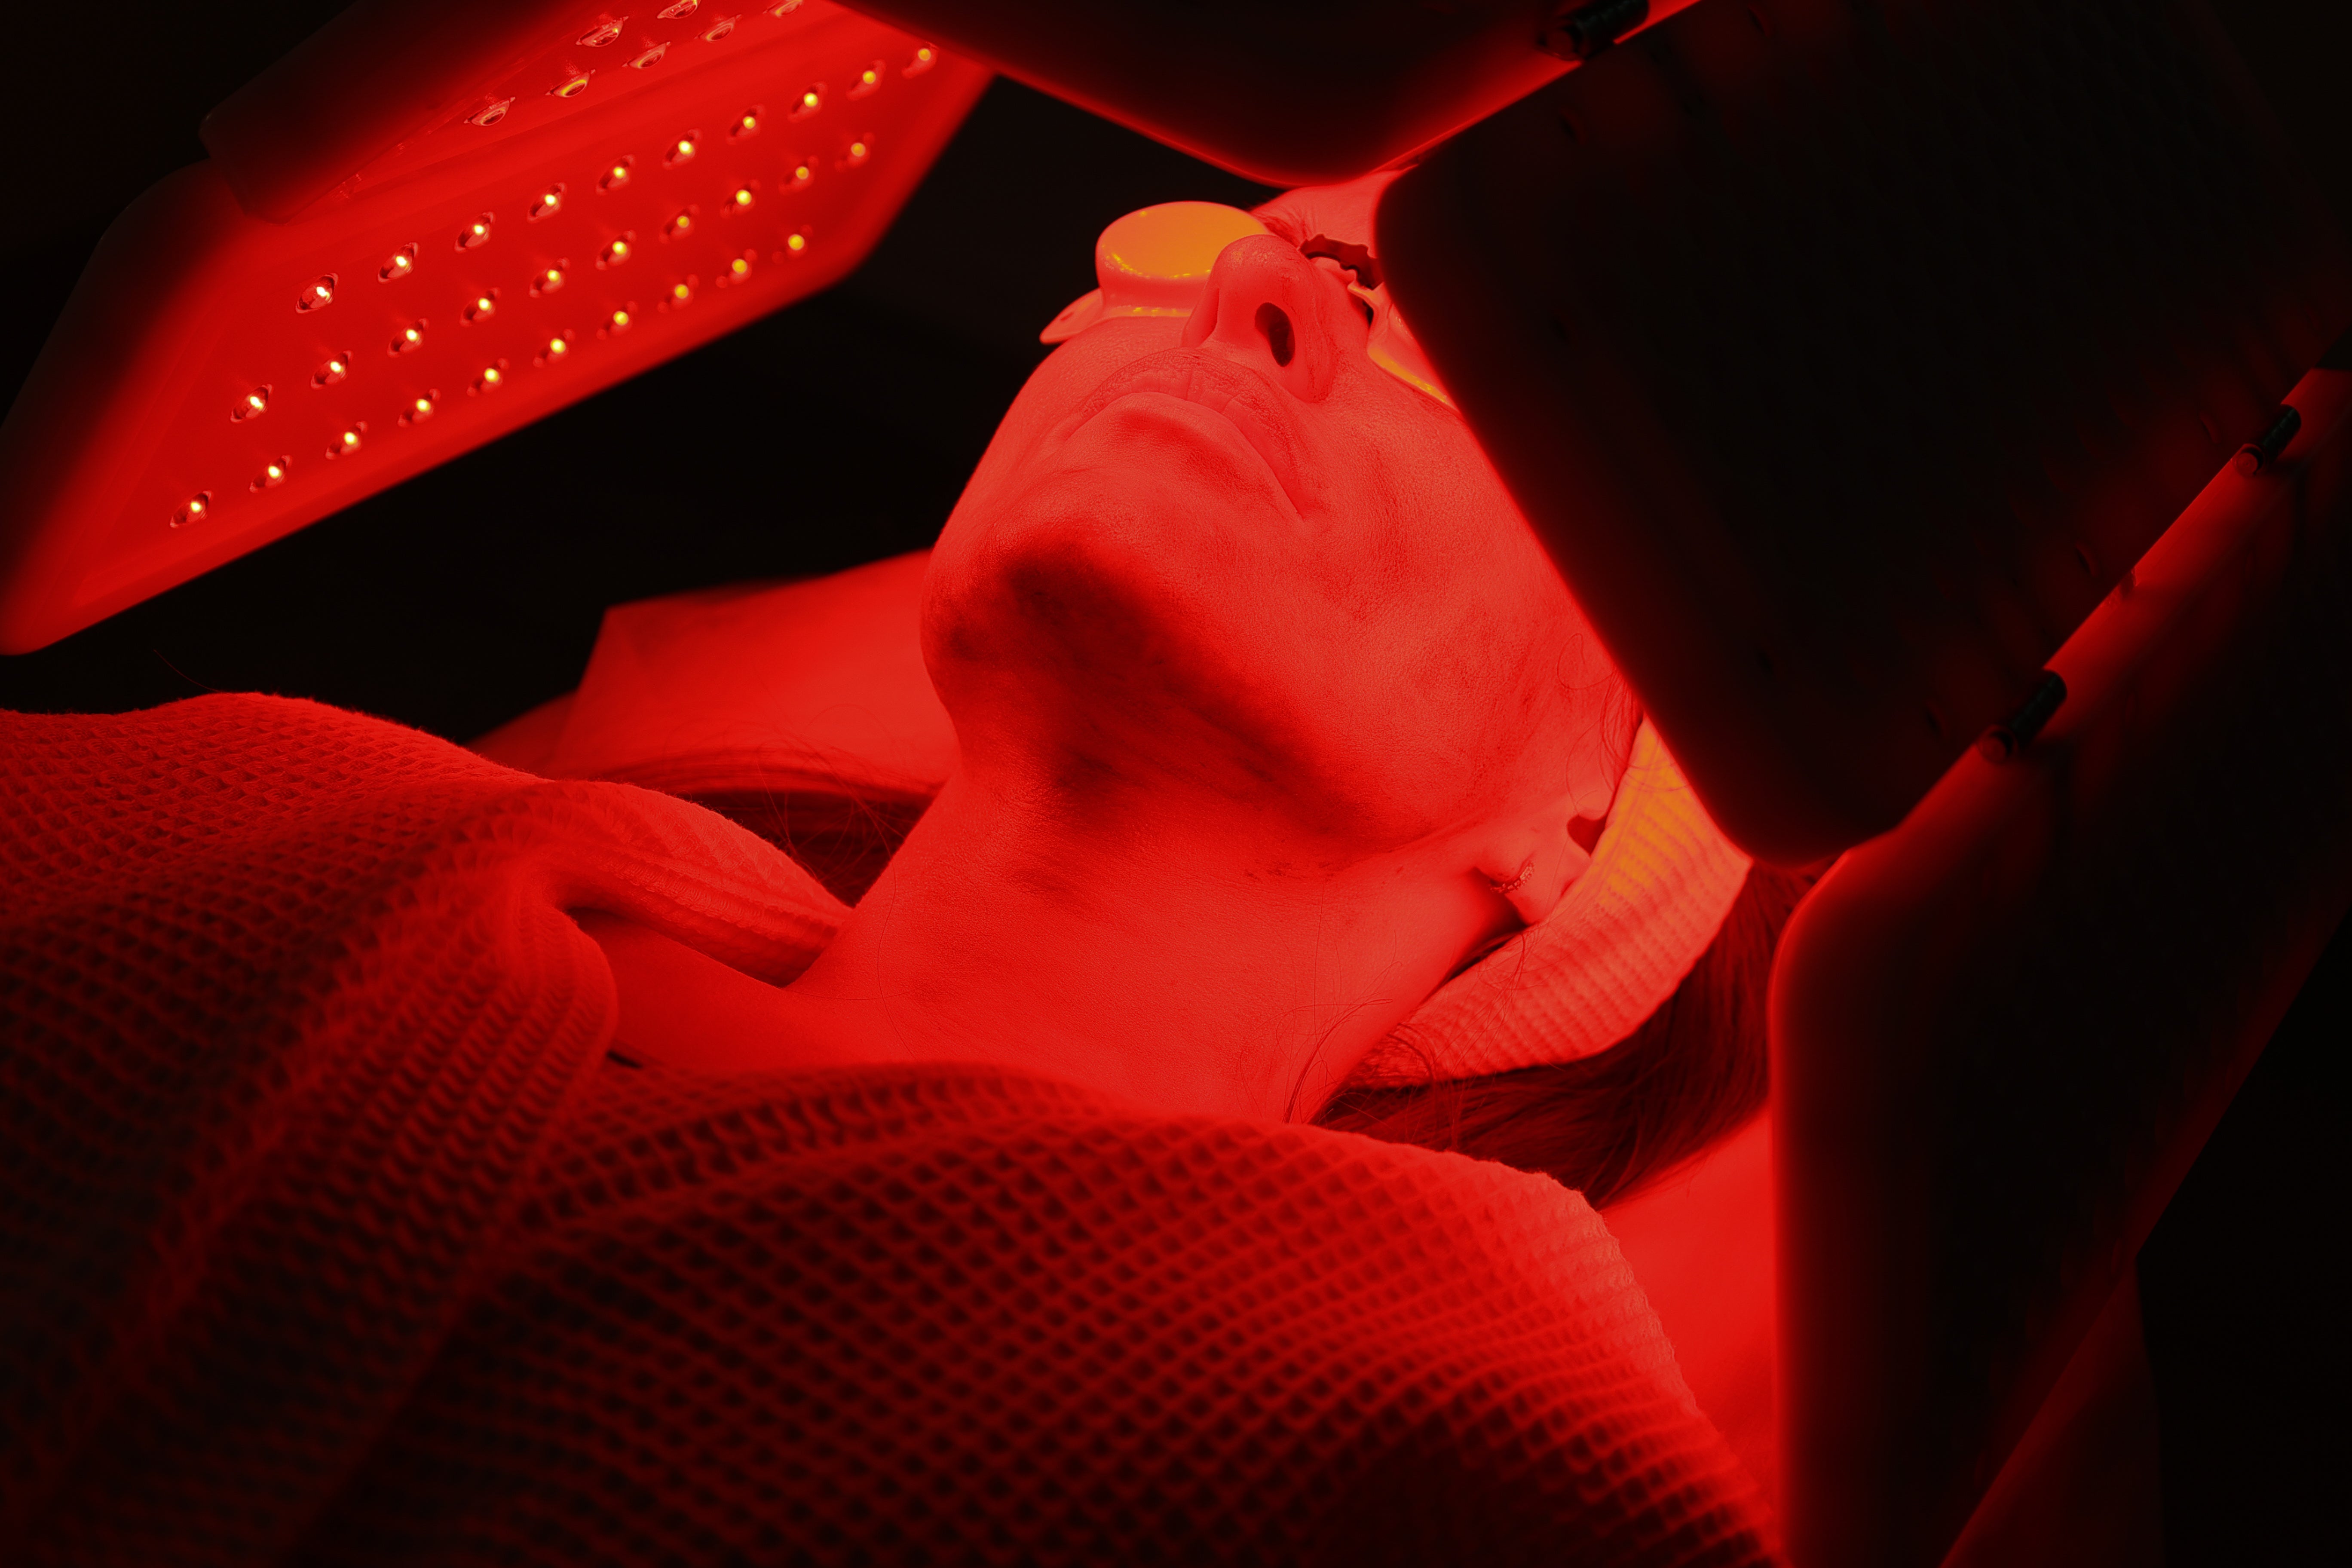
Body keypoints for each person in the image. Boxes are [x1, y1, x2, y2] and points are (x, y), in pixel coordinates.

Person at [2, 175, 1788, 1566]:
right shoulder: (244, 817)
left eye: (1451, 331)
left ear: (1599, 815)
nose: (1252, 285)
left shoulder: (1466, 1465)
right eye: (1212, 240)